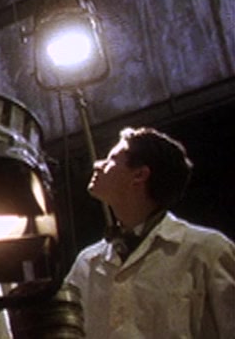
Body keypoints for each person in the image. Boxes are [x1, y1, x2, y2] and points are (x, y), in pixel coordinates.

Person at [65, 127, 235, 338]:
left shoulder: (207, 250)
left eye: (111, 159)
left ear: (139, 175)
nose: (97, 165)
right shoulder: (86, 264)